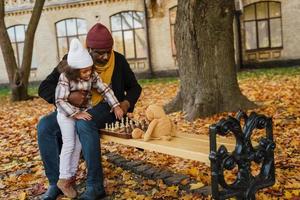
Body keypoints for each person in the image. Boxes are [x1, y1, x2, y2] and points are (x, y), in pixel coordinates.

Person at [38, 23, 142, 200]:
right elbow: (45, 87)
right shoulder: (71, 60)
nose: (105, 56)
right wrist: (70, 97)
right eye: (99, 52)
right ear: (89, 48)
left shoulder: (119, 61)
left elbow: (134, 88)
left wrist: (124, 104)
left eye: (108, 51)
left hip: (107, 109)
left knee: (84, 124)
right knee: (45, 126)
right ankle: (56, 183)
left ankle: (95, 185)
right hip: (72, 110)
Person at [55, 38, 123, 198]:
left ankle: (70, 178)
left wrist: (116, 105)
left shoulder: (91, 74)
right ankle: (63, 178)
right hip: (66, 114)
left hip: (82, 112)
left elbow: (105, 89)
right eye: (84, 71)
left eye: (89, 70)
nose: (87, 74)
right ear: (74, 70)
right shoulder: (65, 77)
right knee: (69, 143)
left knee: (78, 145)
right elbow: (59, 100)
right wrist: (75, 113)